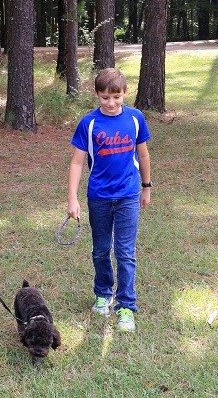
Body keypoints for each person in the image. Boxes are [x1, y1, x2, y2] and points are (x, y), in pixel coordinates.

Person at [67, 68, 151, 332]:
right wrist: (72, 199)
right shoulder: (88, 123)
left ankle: (126, 306)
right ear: (97, 95)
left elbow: (144, 156)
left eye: (116, 96)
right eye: (105, 97)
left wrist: (146, 188)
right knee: (101, 250)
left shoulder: (136, 119)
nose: (111, 103)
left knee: (125, 252)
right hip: (99, 197)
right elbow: (77, 163)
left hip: (127, 195)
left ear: (125, 93)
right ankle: (103, 294)